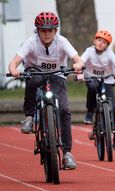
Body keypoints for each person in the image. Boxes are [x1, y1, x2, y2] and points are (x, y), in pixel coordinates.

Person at [8, 11, 84, 169]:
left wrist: (78, 64)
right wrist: (14, 69)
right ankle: (29, 117)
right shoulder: (31, 42)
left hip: (57, 76)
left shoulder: (62, 41)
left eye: (50, 30)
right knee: (32, 80)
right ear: (38, 31)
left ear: (56, 30)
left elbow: (77, 58)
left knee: (64, 110)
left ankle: (68, 153)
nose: (47, 34)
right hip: (35, 73)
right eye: (43, 30)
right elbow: (14, 62)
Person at [81, 30, 115, 150]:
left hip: (108, 80)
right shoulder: (89, 51)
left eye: (104, 42)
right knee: (91, 87)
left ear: (107, 46)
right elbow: (81, 61)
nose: (101, 43)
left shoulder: (109, 53)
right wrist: (79, 70)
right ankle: (90, 112)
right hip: (92, 78)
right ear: (94, 41)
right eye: (99, 40)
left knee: (114, 108)